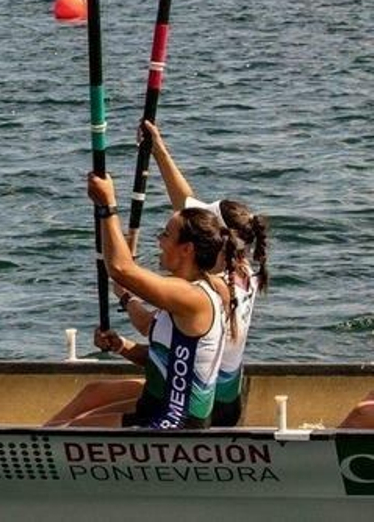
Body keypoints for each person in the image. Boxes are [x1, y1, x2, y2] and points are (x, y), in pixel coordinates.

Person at [45, 172, 239, 429]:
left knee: (72, 430)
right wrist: (122, 346)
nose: (159, 240)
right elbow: (168, 359)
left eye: (166, 235)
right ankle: (28, 440)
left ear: (187, 249)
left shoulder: (192, 297)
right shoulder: (184, 292)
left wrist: (107, 205)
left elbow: (121, 269)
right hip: (153, 407)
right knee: (87, 402)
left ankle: (23, 446)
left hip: (172, 424)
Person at [138, 120, 268, 427]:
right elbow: (184, 202)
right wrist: (158, 150)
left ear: (219, 237)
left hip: (206, 404)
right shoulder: (246, 268)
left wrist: (126, 292)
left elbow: (150, 325)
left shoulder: (215, 290)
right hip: (229, 395)